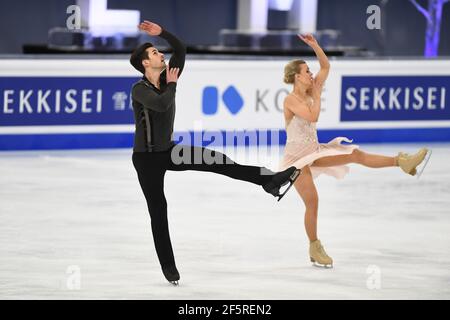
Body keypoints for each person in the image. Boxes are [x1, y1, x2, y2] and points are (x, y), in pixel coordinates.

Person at [129, 21, 301, 285]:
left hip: (170, 151)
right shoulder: (139, 89)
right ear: (144, 63)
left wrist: (161, 33)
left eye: (159, 52)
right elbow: (162, 105)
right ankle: (169, 269)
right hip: (147, 160)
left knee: (218, 161)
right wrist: (173, 84)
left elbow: (180, 49)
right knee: (159, 209)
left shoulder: (166, 77)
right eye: (154, 53)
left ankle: (270, 180)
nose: (161, 54)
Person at [280, 33, 431, 268]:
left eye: (310, 71)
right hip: (296, 159)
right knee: (313, 202)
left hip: (314, 150)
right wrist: (317, 95)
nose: (311, 74)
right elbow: (313, 115)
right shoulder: (291, 100)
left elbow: (326, 66)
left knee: (356, 154)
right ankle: (314, 247)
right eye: (307, 72)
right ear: (296, 77)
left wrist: (315, 45)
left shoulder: (312, 90)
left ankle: (403, 162)